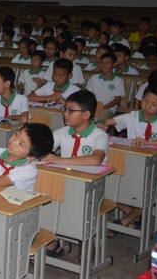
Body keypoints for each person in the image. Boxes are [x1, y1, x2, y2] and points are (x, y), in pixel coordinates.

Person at [43, 90, 108, 257]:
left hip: (90, 188)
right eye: (65, 109)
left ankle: (86, 240)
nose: (65, 113)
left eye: (71, 110)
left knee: (77, 205)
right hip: (64, 183)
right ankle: (51, 241)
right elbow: (44, 149)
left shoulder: (99, 135)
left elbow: (96, 159)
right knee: (43, 196)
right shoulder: (63, 132)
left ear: (86, 114)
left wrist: (60, 160)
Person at [97, 84, 157, 237]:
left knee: (145, 192)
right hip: (132, 164)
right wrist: (101, 125)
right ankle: (134, 216)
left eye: (154, 104)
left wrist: (149, 142)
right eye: (145, 101)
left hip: (156, 168)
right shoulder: (132, 117)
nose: (147, 107)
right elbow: (108, 121)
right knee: (109, 186)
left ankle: (125, 220)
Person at [85, 52, 125, 119]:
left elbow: (117, 100)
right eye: (102, 62)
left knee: (98, 118)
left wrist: (102, 107)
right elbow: (88, 94)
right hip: (93, 106)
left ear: (114, 64)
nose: (104, 65)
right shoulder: (94, 78)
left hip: (108, 108)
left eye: (107, 63)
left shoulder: (118, 81)